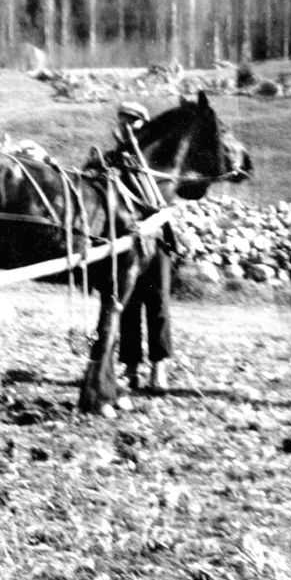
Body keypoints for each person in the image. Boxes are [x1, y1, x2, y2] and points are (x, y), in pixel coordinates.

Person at [114, 102, 173, 392]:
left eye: (133, 122)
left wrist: (147, 227)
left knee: (158, 305)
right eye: (123, 121)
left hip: (157, 242)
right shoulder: (118, 161)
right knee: (128, 305)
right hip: (128, 245)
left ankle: (159, 370)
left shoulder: (158, 163)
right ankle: (131, 368)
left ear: (144, 125)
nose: (127, 127)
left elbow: (168, 209)